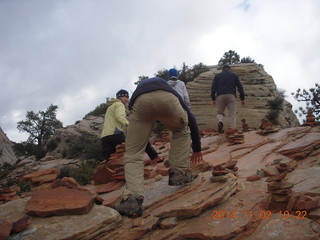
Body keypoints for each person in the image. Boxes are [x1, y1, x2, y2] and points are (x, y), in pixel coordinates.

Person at [115, 77, 203, 217]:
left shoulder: (140, 90)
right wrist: (197, 148)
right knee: (180, 131)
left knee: (133, 151)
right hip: (168, 98)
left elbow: (140, 139)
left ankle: (132, 199)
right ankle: (179, 173)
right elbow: (191, 118)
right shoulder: (169, 89)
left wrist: (152, 153)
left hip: (140, 101)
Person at [100, 89, 160, 165]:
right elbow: (120, 117)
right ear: (120, 97)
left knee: (109, 162)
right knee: (128, 154)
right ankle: (152, 157)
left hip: (104, 137)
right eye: (126, 97)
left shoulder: (110, 107)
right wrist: (130, 126)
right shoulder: (119, 104)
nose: (127, 99)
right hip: (115, 134)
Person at [211, 64, 245, 133]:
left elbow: (213, 88)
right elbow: (240, 87)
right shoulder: (234, 75)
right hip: (231, 95)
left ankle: (220, 121)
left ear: (222, 69)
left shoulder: (217, 76)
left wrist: (213, 99)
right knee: (232, 113)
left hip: (220, 96)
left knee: (220, 112)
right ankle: (232, 129)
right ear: (229, 69)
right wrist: (242, 98)